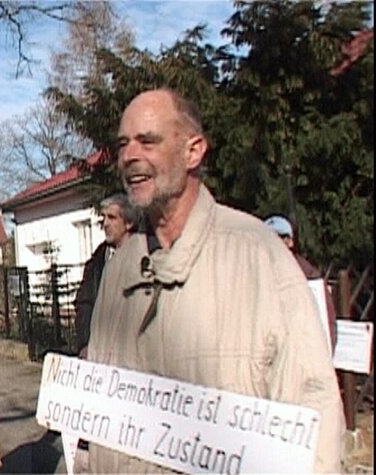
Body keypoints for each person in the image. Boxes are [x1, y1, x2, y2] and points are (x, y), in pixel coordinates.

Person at [87, 89, 344, 472]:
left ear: (194, 151)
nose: (129, 156)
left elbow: (313, 404)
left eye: (148, 141)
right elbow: (96, 403)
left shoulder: (257, 254)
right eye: (123, 143)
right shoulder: (120, 267)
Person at [74, 193, 138, 357]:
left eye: (112, 217)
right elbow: (84, 305)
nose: (106, 224)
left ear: (129, 222)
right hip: (100, 355)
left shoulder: (143, 259)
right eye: (103, 218)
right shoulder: (96, 264)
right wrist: (85, 344)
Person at [265, 214, 338, 351]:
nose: (272, 242)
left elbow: (327, 323)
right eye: (266, 237)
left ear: (290, 241)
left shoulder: (310, 277)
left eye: (279, 237)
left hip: (304, 355)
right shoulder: (259, 272)